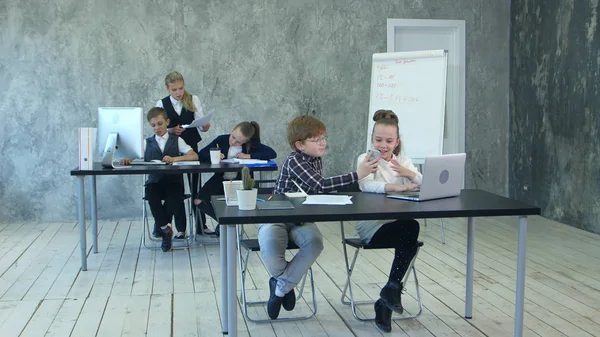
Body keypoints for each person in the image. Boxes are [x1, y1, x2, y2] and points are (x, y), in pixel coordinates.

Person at [258, 115, 379, 320]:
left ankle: (279, 289)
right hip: (276, 215)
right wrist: (357, 175)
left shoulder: (316, 159)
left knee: (315, 243)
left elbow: (316, 190)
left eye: (324, 138)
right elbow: (320, 185)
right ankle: (284, 284)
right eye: (317, 140)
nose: (323, 143)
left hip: (302, 217)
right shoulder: (294, 160)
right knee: (272, 252)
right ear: (300, 145)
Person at [355, 109, 422, 333]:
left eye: (389, 141)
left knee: (411, 226)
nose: (383, 145)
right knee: (409, 233)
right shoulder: (366, 159)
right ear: (372, 139)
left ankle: (388, 294)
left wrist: (409, 174)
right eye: (378, 140)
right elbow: (366, 185)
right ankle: (389, 296)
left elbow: (424, 182)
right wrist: (397, 186)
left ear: (397, 142)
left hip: (398, 224)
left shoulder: (403, 161)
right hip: (371, 226)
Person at [120, 107, 199, 252]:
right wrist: (127, 159)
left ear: (167, 122)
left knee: (174, 198)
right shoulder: (147, 142)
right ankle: (166, 229)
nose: (157, 128)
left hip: (174, 182)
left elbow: (193, 155)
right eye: (153, 125)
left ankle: (161, 229)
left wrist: (175, 158)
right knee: (151, 195)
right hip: (155, 182)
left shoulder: (177, 140)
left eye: (160, 124)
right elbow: (133, 155)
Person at [194, 121, 277, 234]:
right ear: (232, 130)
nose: (233, 142)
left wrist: (249, 156)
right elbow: (201, 154)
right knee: (199, 200)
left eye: (238, 142)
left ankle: (226, 223)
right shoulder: (221, 139)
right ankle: (224, 222)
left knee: (235, 204)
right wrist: (214, 155)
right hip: (221, 179)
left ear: (246, 141)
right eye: (233, 137)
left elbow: (272, 153)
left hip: (241, 181)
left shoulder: (250, 145)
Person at [156, 71, 211, 238]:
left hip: (191, 148)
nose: (179, 92)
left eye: (181, 88)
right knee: (176, 188)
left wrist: (204, 126)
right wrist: (171, 129)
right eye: (174, 89)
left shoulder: (192, 99)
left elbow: (201, 122)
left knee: (196, 187)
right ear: (167, 89)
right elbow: (158, 129)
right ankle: (181, 229)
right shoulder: (161, 103)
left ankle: (201, 225)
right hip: (172, 149)